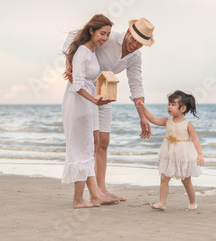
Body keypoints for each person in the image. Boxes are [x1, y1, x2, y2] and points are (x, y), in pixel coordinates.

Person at [63, 16, 155, 201]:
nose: (135, 46)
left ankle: (101, 188)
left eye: (140, 44)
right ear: (128, 32)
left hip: (105, 94)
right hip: (87, 92)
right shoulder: (110, 38)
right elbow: (74, 35)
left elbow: (136, 85)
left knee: (104, 142)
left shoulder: (135, 56)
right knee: (92, 141)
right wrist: (68, 62)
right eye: (134, 40)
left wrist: (143, 116)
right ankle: (93, 192)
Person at [61, 14, 119, 209]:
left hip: (86, 105)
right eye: (102, 33)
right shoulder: (84, 52)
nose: (105, 37)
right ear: (92, 31)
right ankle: (78, 200)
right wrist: (94, 100)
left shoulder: (92, 51)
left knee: (86, 147)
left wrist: (98, 98)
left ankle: (92, 196)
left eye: (108, 34)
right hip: (78, 104)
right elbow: (77, 85)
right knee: (81, 148)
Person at [136, 91, 205, 211]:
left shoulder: (188, 125)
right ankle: (162, 203)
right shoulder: (166, 121)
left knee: (186, 181)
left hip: (183, 155)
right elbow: (152, 119)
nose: (169, 107)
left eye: (173, 104)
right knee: (164, 177)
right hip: (168, 153)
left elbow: (195, 140)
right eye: (169, 104)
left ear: (183, 108)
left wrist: (200, 154)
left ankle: (193, 202)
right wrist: (143, 109)